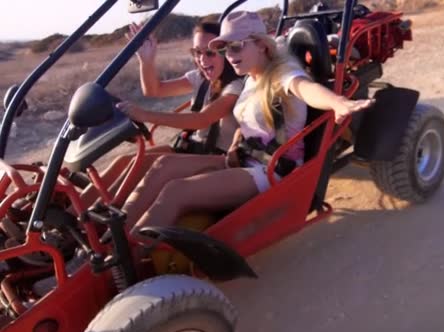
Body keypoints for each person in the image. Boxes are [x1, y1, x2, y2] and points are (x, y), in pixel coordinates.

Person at [119, 11, 374, 232]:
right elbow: (248, 121)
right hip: (244, 158)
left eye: (235, 46)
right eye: (223, 48)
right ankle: (114, 234)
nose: (228, 55)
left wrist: (337, 102)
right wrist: (236, 142)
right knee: (164, 165)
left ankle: (125, 259)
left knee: (175, 192)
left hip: (271, 170)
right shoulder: (251, 77)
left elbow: (304, 88)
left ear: (261, 45)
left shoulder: (282, 73)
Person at [79, 21, 243, 208]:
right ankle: (74, 213)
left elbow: (200, 120)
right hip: (191, 149)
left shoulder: (235, 86)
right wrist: (147, 61)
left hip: (215, 157)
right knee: (125, 161)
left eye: (210, 53)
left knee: (159, 165)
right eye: (197, 52)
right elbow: (154, 90)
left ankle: (106, 215)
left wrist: (144, 115)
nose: (202, 60)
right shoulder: (201, 78)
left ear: (226, 53)